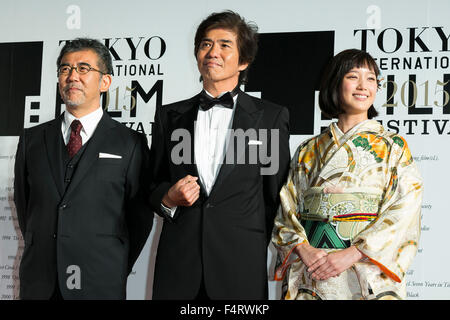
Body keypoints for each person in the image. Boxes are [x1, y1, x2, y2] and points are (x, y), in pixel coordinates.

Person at [149, 10, 290, 299]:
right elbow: (151, 185)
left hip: (240, 267)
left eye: (225, 45)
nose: (212, 51)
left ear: (244, 61)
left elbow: (275, 196)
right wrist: (168, 198)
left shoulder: (270, 117)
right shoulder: (169, 116)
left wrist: (248, 242)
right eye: (205, 44)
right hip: (179, 266)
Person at [272, 49, 423, 300]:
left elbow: (405, 209)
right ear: (335, 82)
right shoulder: (308, 150)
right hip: (314, 270)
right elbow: (286, 209)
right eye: (353, 76)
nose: (364, 86)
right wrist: (303, 249)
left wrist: (353, 253)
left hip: (364, 271)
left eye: (372, 79)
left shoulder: (392, 146)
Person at [14, 38, 153, 300]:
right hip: (40, 283)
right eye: (65, 69)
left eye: (84, 68)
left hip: (100, 281)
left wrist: (113, 264)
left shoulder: (130, 143)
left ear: (105, 82)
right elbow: (26, 209)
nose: (72, 76)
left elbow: (139, 219)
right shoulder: (32, 139)